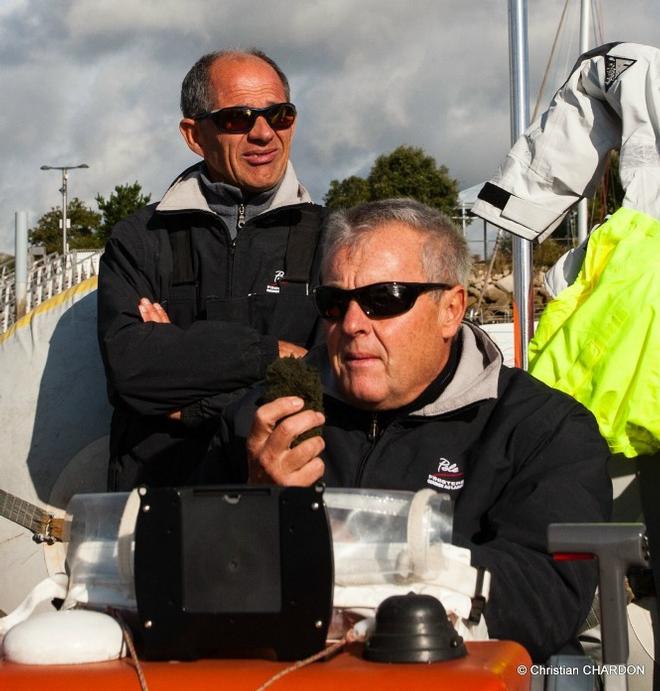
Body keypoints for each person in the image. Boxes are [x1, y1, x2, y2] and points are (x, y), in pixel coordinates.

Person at [209, 198, 613, 662]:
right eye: (335, 302)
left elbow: (546, 597)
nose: (353, 324)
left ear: (451, 309)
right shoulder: (264, 418)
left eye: (385, 299)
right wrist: (254, 505)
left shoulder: (544, 429)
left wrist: (369, 559)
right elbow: (184, 573)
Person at [98, 49, 326, 491]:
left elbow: (333, 378)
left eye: (279, 115)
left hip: (288, 510)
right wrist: (275, 354)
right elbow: (132, 372)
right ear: (193, 134)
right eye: (238, 119)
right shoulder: (139, 238)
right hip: (159, 509)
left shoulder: (334, 238)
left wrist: (188, 399)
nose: (264, 133)